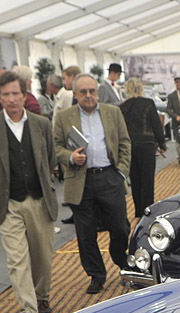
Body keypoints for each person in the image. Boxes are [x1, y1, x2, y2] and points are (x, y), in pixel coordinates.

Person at [0, 70, 58, 313]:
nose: (11, 99)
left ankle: (41, 297)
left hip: (39, 200)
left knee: (42, 255)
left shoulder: (41, 124)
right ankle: (28, 310)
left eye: (16, 94)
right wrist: (1, 186)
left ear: (24, 95)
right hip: (8, 204)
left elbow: (51, 158)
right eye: (6, 94)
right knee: (17, 258)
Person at [53, 74, 131, 294]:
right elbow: (56, 147)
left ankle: (120, 258)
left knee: (119, 226)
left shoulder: (113, 112)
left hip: (109, 177)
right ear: (75, 94)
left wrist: (121, 172)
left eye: (92, 91)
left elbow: (125, 142)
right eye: (83, 92)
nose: (88, 96)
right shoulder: (64, 116)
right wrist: (69, 156)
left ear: (97, 92)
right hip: (80, 180)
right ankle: (96, 275)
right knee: (86, 233)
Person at [119, 77, 166, 219]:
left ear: (127, 90)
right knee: (147, 179)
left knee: (135, 179)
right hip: (147, 145)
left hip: (130, 146)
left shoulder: (123, 107)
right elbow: (156, 125)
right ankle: (148, 210)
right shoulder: (148, 103)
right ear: (141, 88)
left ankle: (138, 211)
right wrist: (162, 144)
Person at [166, 75, 180, 165]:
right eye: (177, 82)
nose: (178, 84)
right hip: (177, 121)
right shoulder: (171, 96)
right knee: (178, 140)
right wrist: (175, 116)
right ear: (175, 83)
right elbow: (168, 109)